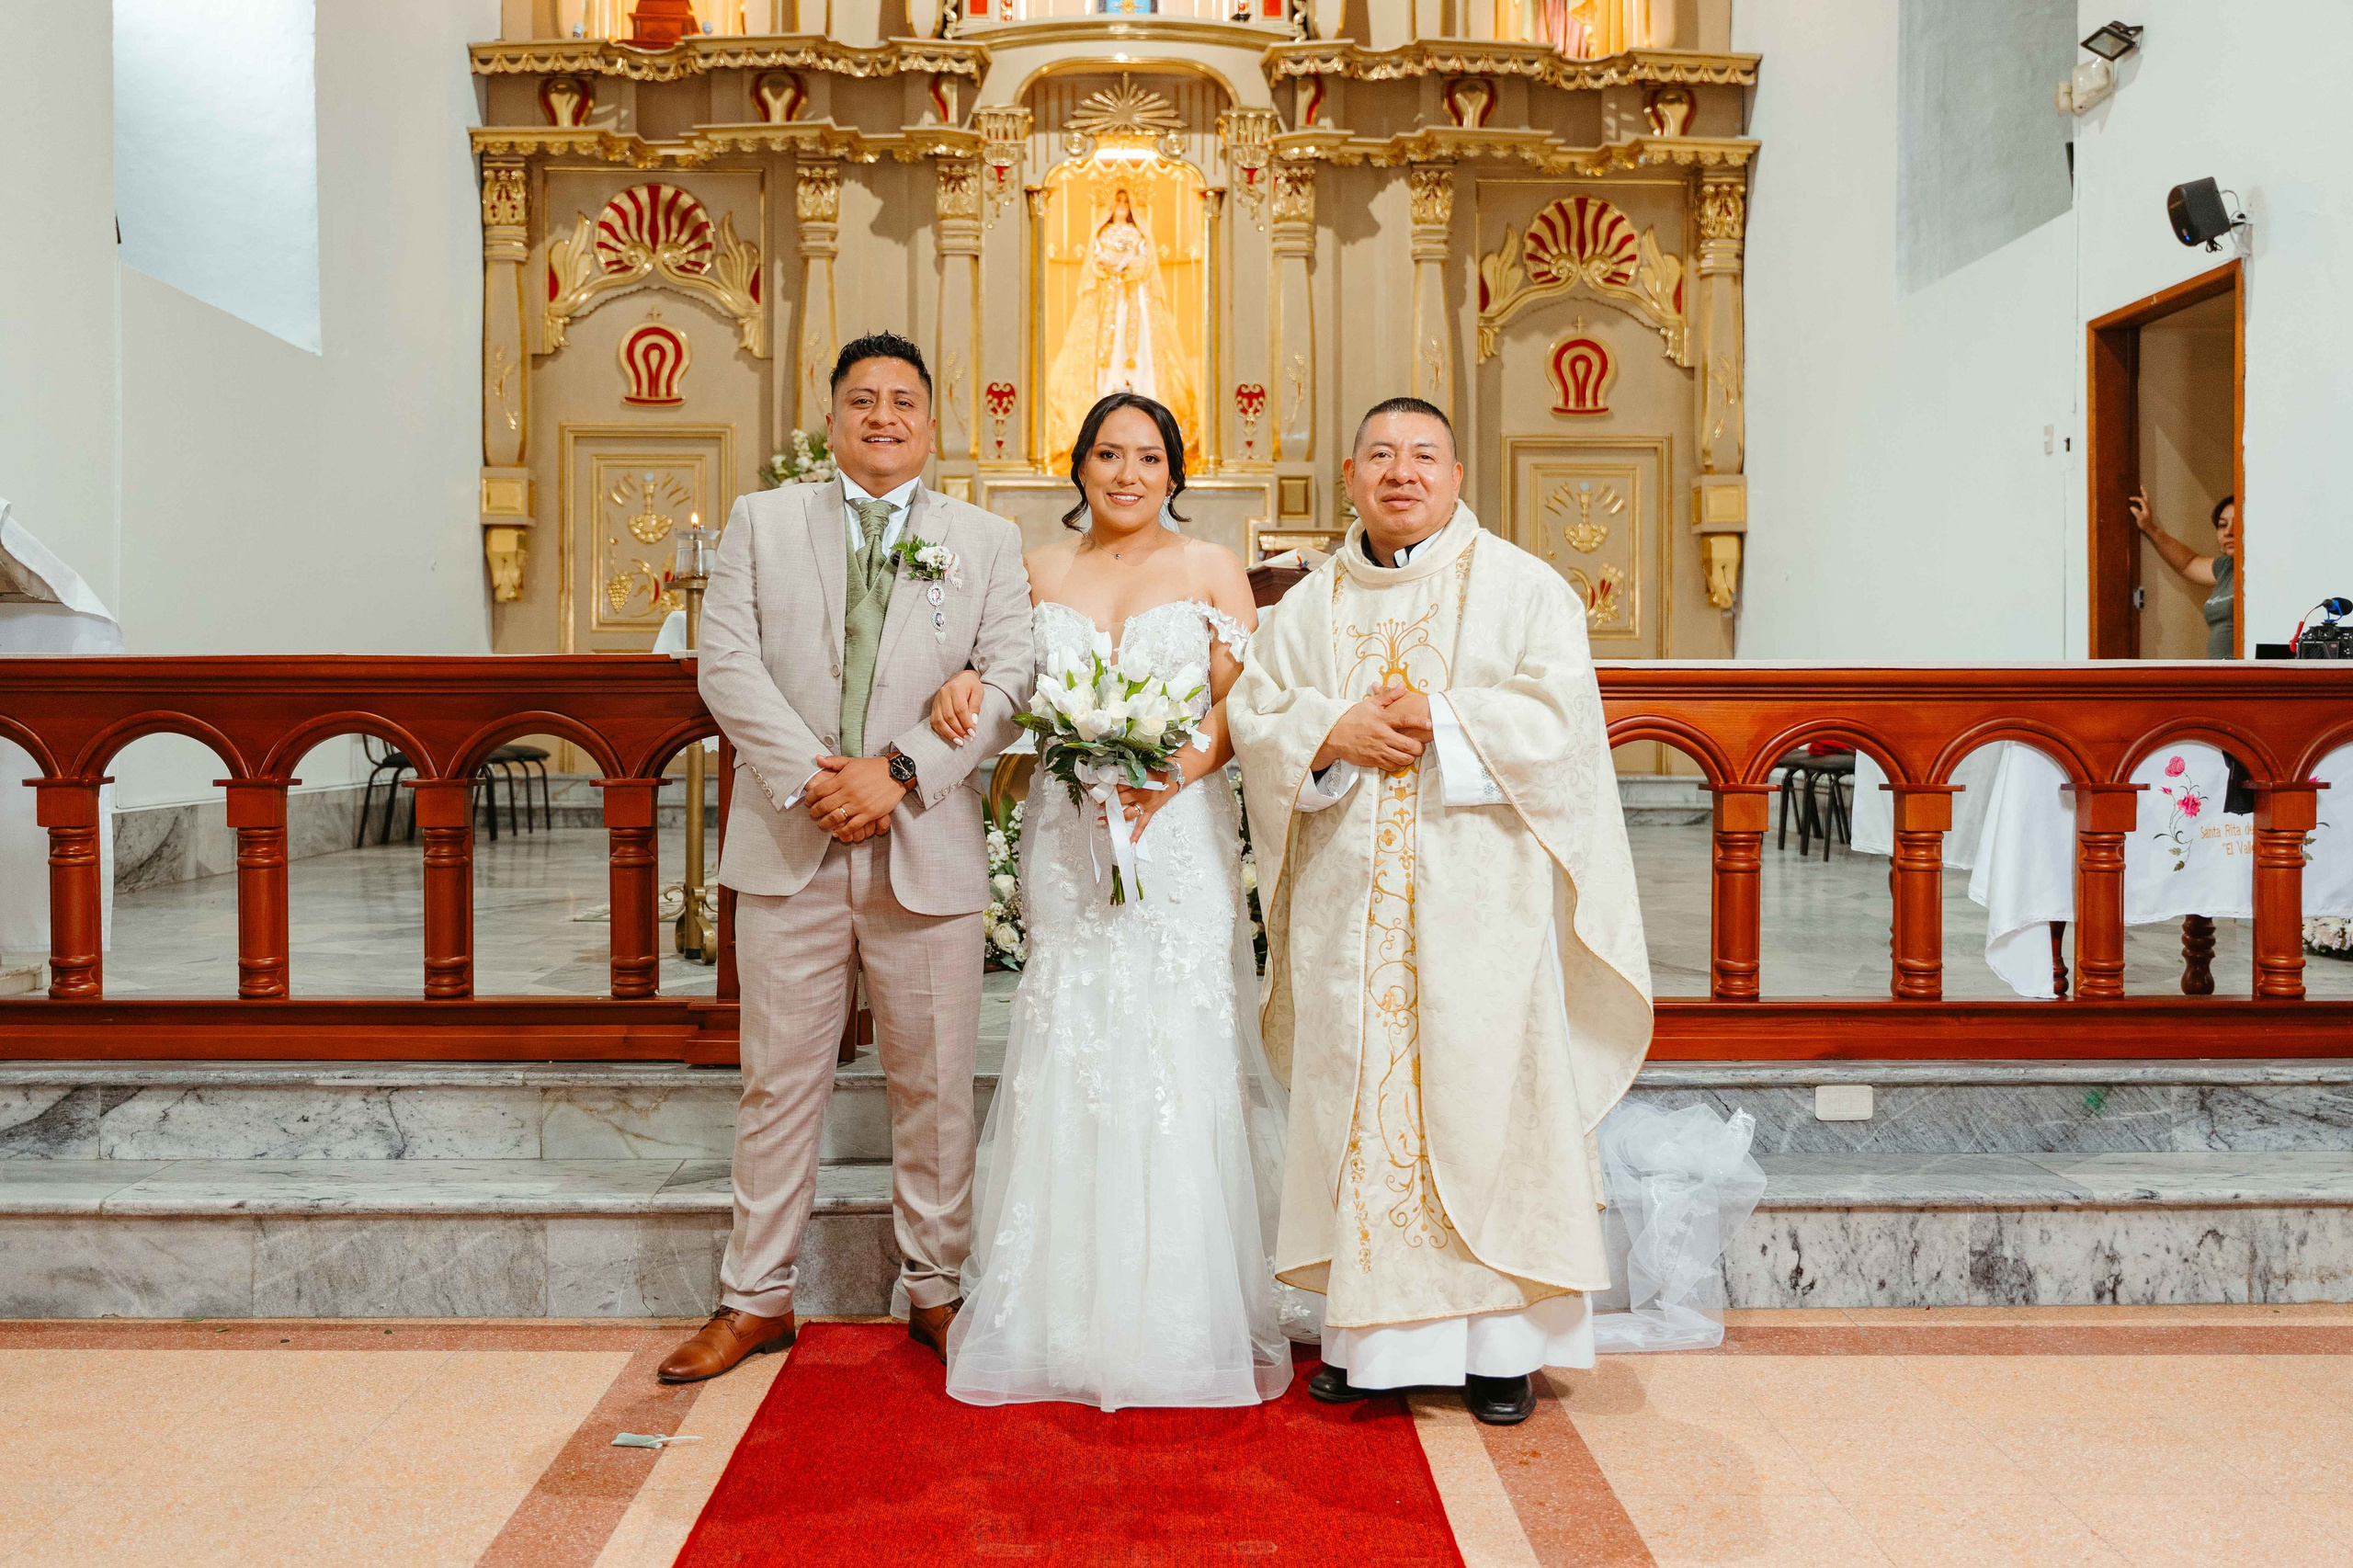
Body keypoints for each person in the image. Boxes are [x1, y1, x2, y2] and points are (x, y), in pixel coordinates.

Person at [1227, 396, 1652, 1426]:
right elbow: (1257, 716)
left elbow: (1561, 722)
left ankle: (1501, 1344)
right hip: (1349, 912)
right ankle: (1367, 1339)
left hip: (1482, 907)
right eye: (1380, 455)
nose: (1401, 473)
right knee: (1362, 1105)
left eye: (1422, 456)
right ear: (1348, 474)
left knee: (1485, 1101)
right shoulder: (1303, 606)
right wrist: (1329, 731)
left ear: (1457, 475)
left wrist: (1444, 716)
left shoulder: (1523, 589)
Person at [659, 332, 1035, 1383]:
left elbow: (1010, 677)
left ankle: (937, 1287)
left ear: (931, 423)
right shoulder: (762, 522)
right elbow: (724, 660)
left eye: (902, 401)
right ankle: (754, 1296)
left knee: (934, 1082)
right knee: (777, 1082)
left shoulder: (987, 539)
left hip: (926, 846)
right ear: (831, 420)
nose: (882, 416)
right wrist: (816, 776)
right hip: (790, 838)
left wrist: (900, 770)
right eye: (861, 400)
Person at [926, 392, 1288, 1409]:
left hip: (1174, 835)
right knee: (1071, 1031)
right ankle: (1059, 1307)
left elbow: (1240, 699)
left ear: (1174, 471)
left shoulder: (1213, 566)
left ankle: (1186, 1309)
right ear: (1076, 466)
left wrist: (1177, 770)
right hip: (1068, 837)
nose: (1126, 474)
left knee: (1179, 1032)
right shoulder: (1032, 569)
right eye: (1106, 454)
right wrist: (960, 690)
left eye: (1147, 457)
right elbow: (990, 684)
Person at [2131, 488, 2236, 659]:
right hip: (2219, 676)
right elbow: (2188, 563)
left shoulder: (2262, 574)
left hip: (2245, 678)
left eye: (2238, 524)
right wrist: (2149, 528)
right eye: (2222, 525)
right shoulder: (2225, 568)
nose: (2228, 532)